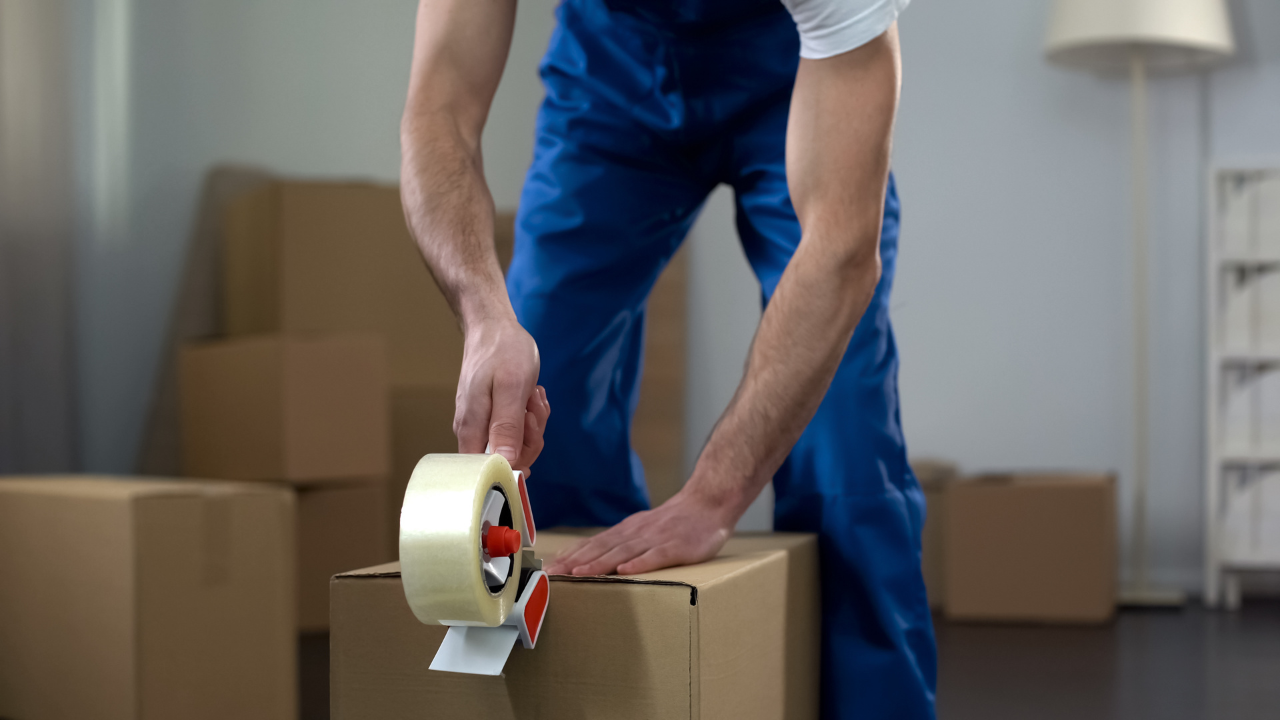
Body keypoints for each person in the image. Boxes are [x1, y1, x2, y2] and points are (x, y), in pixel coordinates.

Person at [400, 0, 934, 717]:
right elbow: (438, 112)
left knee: (843, 440)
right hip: (610, 77)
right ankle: (603, 691)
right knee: (538, 415)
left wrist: (713, 498)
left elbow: (840, 253)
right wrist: (484, 314)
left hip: (794, 75)